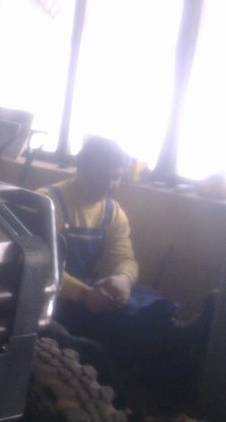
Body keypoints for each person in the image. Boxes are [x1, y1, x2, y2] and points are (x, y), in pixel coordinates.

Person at [39, 137, 208, 405]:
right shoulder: (47, 202)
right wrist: (83, 294)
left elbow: (125, 257)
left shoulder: (112, 211)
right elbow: (41, 268)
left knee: (144, 297)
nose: (110, 185)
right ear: (81, 168)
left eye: (116, 177)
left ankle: (177, 346)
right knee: (124, 318)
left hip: (89, 289)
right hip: (52, 297)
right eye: (103, 176)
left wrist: (123, 279)